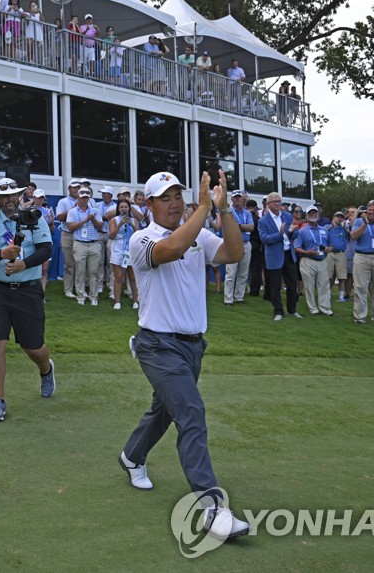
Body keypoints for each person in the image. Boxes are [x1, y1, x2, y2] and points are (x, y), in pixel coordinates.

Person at [118, 170, 249, 542]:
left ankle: (131, 456)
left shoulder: (199, 235)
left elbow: (233, 253)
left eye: (178, 195)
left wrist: (223, 212)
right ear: (149, 204)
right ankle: (213, 509)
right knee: (190, 413)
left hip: (192, 346)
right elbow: (172, 249)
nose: (175, 202)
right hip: (157, 345)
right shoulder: (142, 240)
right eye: (165, 197)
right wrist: (204, 207)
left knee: (166, 410)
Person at [0, 179, 56, 422]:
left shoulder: (35, 218)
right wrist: (2, 253)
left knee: (32, 346)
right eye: (4, 196)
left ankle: (46, 369)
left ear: (20, 196)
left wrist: (23, 263)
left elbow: (45, 250)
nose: (9, 199)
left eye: (13, 195)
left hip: (28, 290)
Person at [257, 191, 301, 321]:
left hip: (288, 254)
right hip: (274, 256)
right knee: (275, 287)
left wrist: (293, 232)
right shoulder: (263, 221)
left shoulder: (287, 216)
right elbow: (264, 239)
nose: (277, 204)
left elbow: (294, 234)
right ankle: (278, 312)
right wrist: (280, 234)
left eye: (279, 201)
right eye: (274, 202)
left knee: (293, 285)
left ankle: (292, 310)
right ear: (268, 204)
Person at [294, 206, 334, 316]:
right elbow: (297, 248)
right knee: (309, 286)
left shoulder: (324, 230)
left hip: (322, 260)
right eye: (310, 213)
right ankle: (313, 309)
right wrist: (307, 252)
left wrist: (328, 249)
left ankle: (325, 308)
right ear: (306, 216)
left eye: (315, 213)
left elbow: (331, 245)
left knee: (324, 285)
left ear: (318, 215)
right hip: (308, 260)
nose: (313, 215)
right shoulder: (302, 231)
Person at [68, 186, 103, 306]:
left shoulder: (95, 211)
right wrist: (85, 220)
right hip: (80, 244)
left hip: (94, 243)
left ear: (89, 198)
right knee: (80, 272)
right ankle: (81, 296)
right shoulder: (72, 211)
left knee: (93, 273)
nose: (84, 200)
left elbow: (100, 227)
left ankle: (93, 296)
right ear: (78, 197)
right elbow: (70, 227)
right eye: (82, 197)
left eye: (86, 198)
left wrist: (92, 220)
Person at [222, 190, 254, 305]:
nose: (237, 200)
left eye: (239, 198)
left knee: (243, 273)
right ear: (232, 200)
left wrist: (239, 226)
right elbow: (229, 227)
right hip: (233, 244)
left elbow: (251, 227)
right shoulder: (228, 212)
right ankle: (228, 299)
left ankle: (239, 297)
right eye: (235, 198)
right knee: (231, 273)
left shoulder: (247, 213)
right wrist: (240, 227)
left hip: (246, 244)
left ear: (242, 199)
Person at [108, 197, 139, 310]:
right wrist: (120, 224)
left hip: (131, 249)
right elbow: (111, 235)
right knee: (118, 277)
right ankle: (117, 302)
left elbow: (138, 234)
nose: (123, 209)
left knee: (133, 277)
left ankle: (136, 301)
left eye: (125, 207)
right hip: (118, 249)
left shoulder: (134, 220)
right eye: (121, 207)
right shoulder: (114, 220)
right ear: (118, 209)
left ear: (129, 208)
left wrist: (131, 224)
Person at [327, 210, 349, 302]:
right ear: (333, 218)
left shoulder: (344, 228)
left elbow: (351, 235)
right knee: (329, 275)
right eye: (337, 216)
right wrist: (331, 226)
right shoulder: (328, 227)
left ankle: (341, 296)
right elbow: (323, 232)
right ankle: (327, 295)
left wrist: (345, 228)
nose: (339, 218)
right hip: (330, 253)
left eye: (341, 217)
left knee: (342, 276)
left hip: (341, 253)